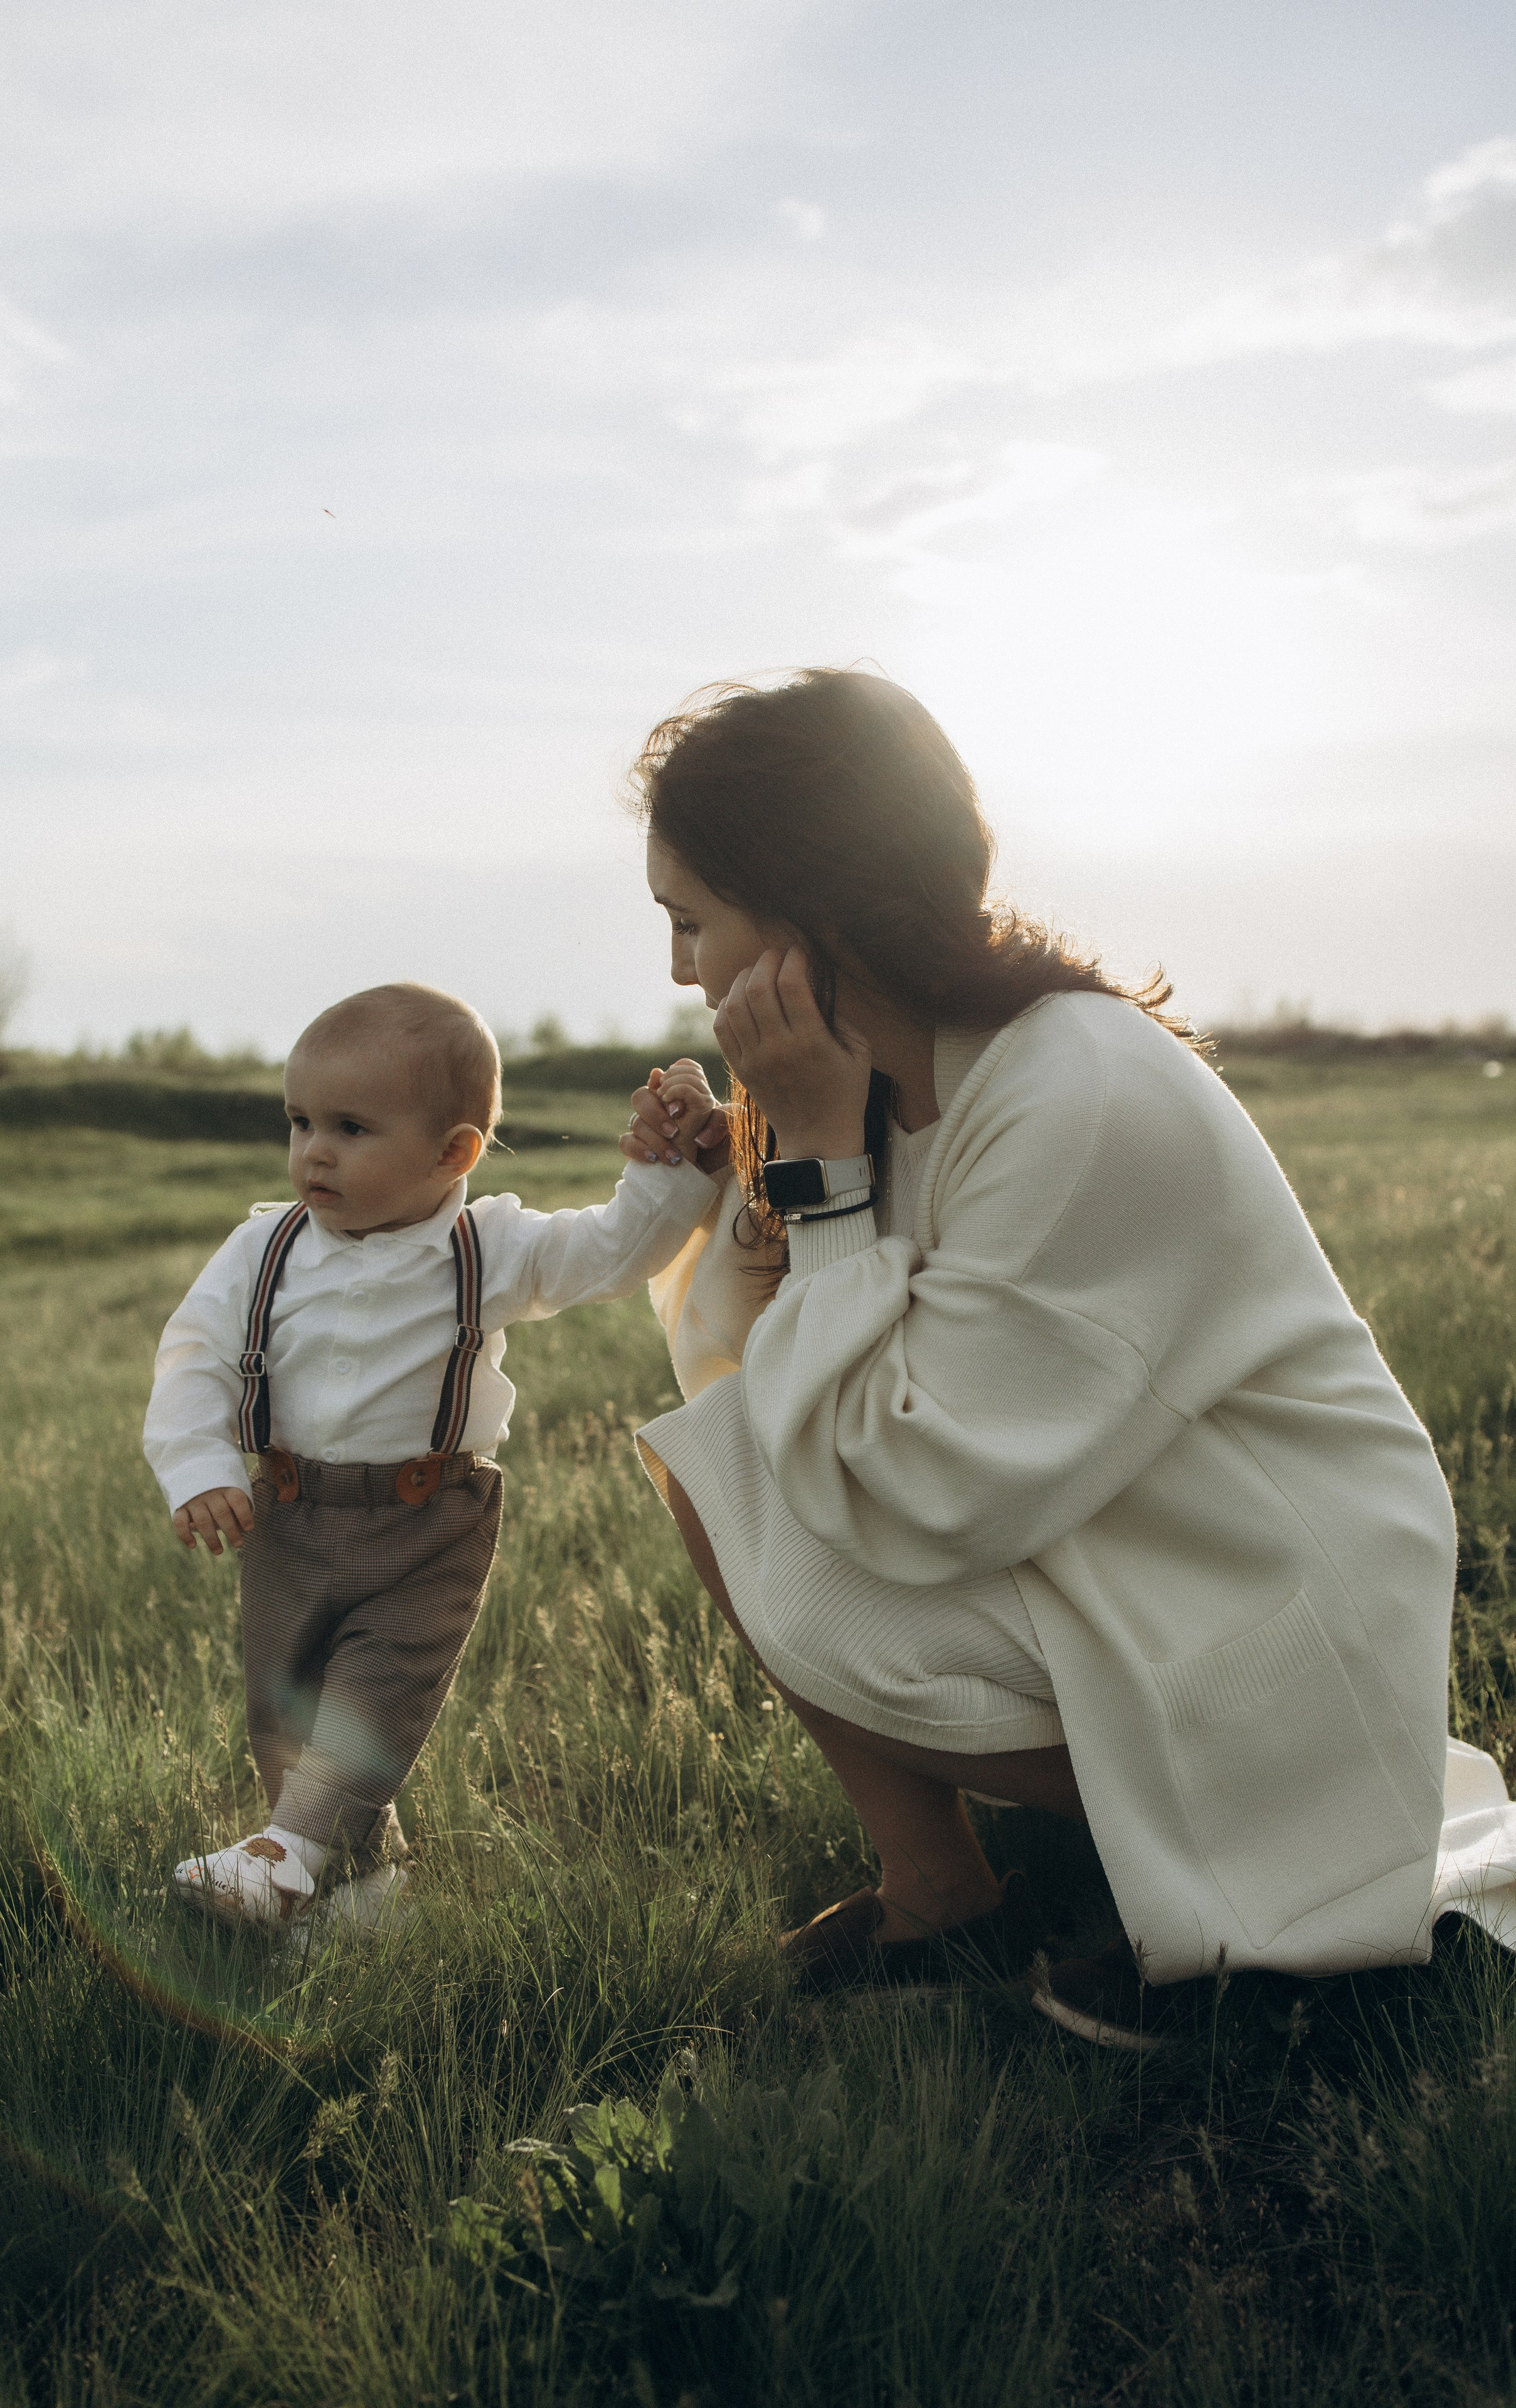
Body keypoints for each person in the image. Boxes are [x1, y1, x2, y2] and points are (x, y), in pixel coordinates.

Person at [617, 668, 1514, 2051]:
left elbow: (918, 1482)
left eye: (693, 924)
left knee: (791, 1510)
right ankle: (937, 1890)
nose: (682, 974)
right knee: (728, 1475)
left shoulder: (1066, 1088)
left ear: (808, 912)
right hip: (1114, 1524)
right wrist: (772, 1164)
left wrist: (821, 1173)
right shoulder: (888, 1088)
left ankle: (1268, 1920)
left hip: (1261, 1579)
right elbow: (761, 1387)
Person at [144, 981, 720, 1933]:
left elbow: (618, 1251)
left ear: (453, 1151)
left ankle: (283, 1857)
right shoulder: (263, 1246)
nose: (313, 1150)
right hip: (286, 1513)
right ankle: (365, 1891)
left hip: (427, 1522)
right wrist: (200, 1467)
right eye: (299, 1121)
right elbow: (194, 1356)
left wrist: (676, 1158)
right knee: (289, 1708)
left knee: (377, 1687)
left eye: (352, 1128)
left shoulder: (486, 1246)